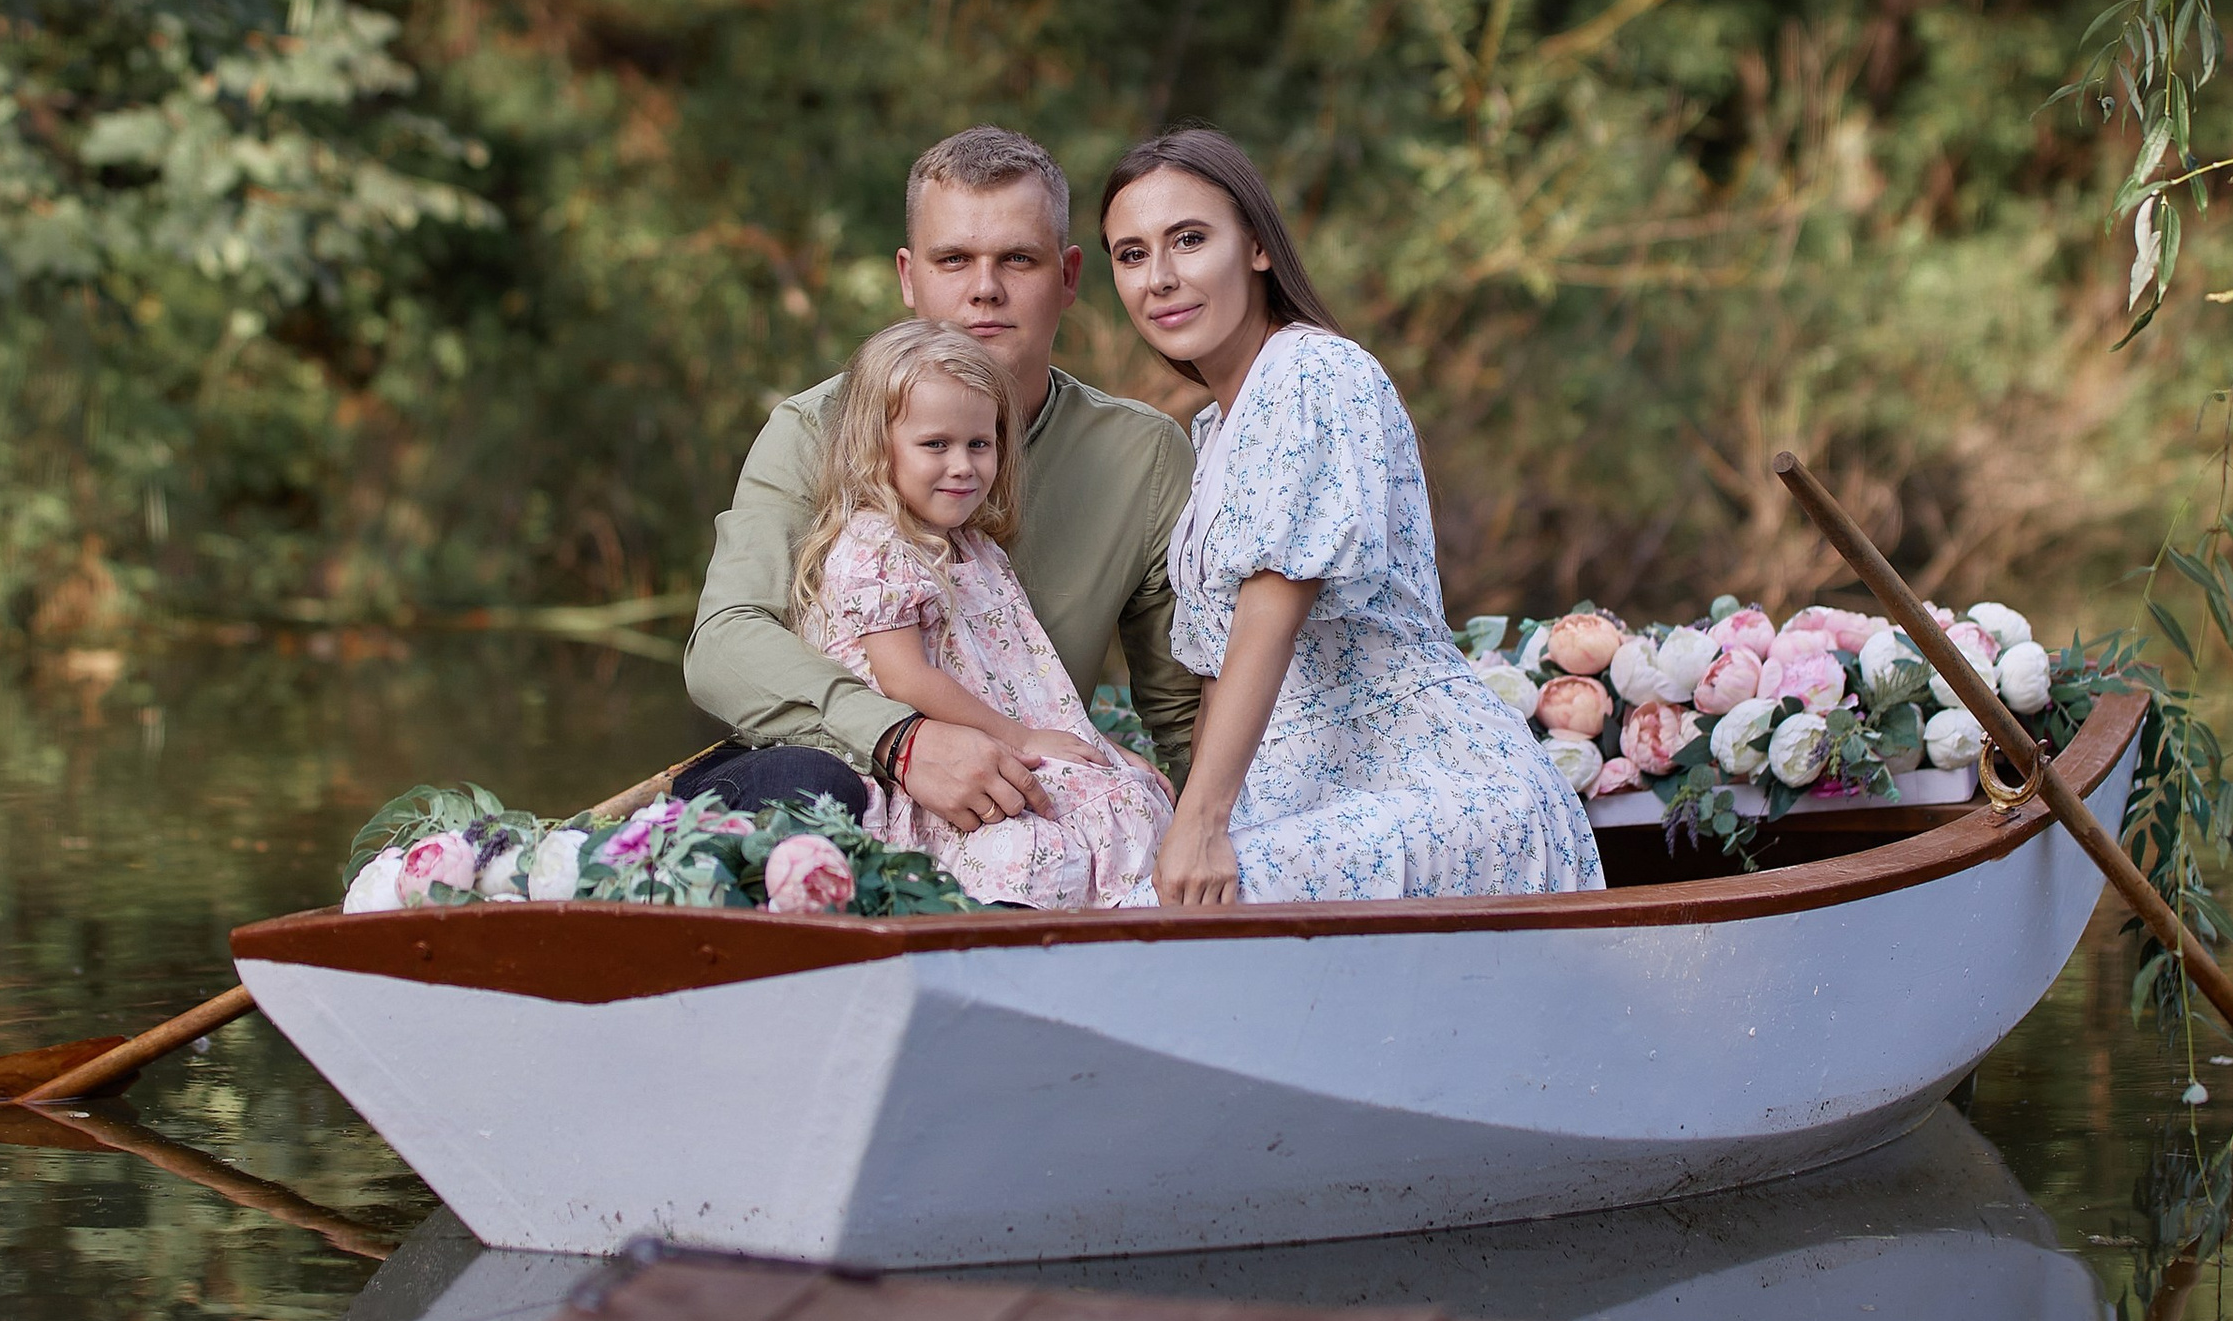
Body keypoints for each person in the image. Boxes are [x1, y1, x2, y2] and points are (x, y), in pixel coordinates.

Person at [1100, 126, 1601, 909]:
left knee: (1145, 921)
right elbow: (1216, 674)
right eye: (1131, 255)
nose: (1159, 278)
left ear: (1257, 246)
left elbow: (1271, 610)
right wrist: (1191, 821)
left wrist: (1200, 824)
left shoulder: (1314, 372)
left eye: (1189, 240)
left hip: (1430, 788)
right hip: (1301, 807)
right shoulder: (1213, 432)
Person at [684, 126, 1199, 832]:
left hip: (1020, 800)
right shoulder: (813, 430)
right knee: (811, 787)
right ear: (908, 276)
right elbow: (723, 642)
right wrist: (902, 740)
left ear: (1068, 276)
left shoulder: (1144, 457)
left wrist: (1199, 826)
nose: (985, 290)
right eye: (953, 259)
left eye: (1018, 259)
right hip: (836, 773)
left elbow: (1182, 711)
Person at [793, 320, 1174, 907]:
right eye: (935, 445)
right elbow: (906, 679)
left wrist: (1082, 739)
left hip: (1000, 741)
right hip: (936, 775)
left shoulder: (972, 546)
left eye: (979, 443)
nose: (963, 466)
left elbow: (1019, 674)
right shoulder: (877, 548)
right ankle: (1033, 933)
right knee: (1042, 847)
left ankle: (1136, 929)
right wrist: (1023, 738)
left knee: (1136, 791)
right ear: (877, 447)